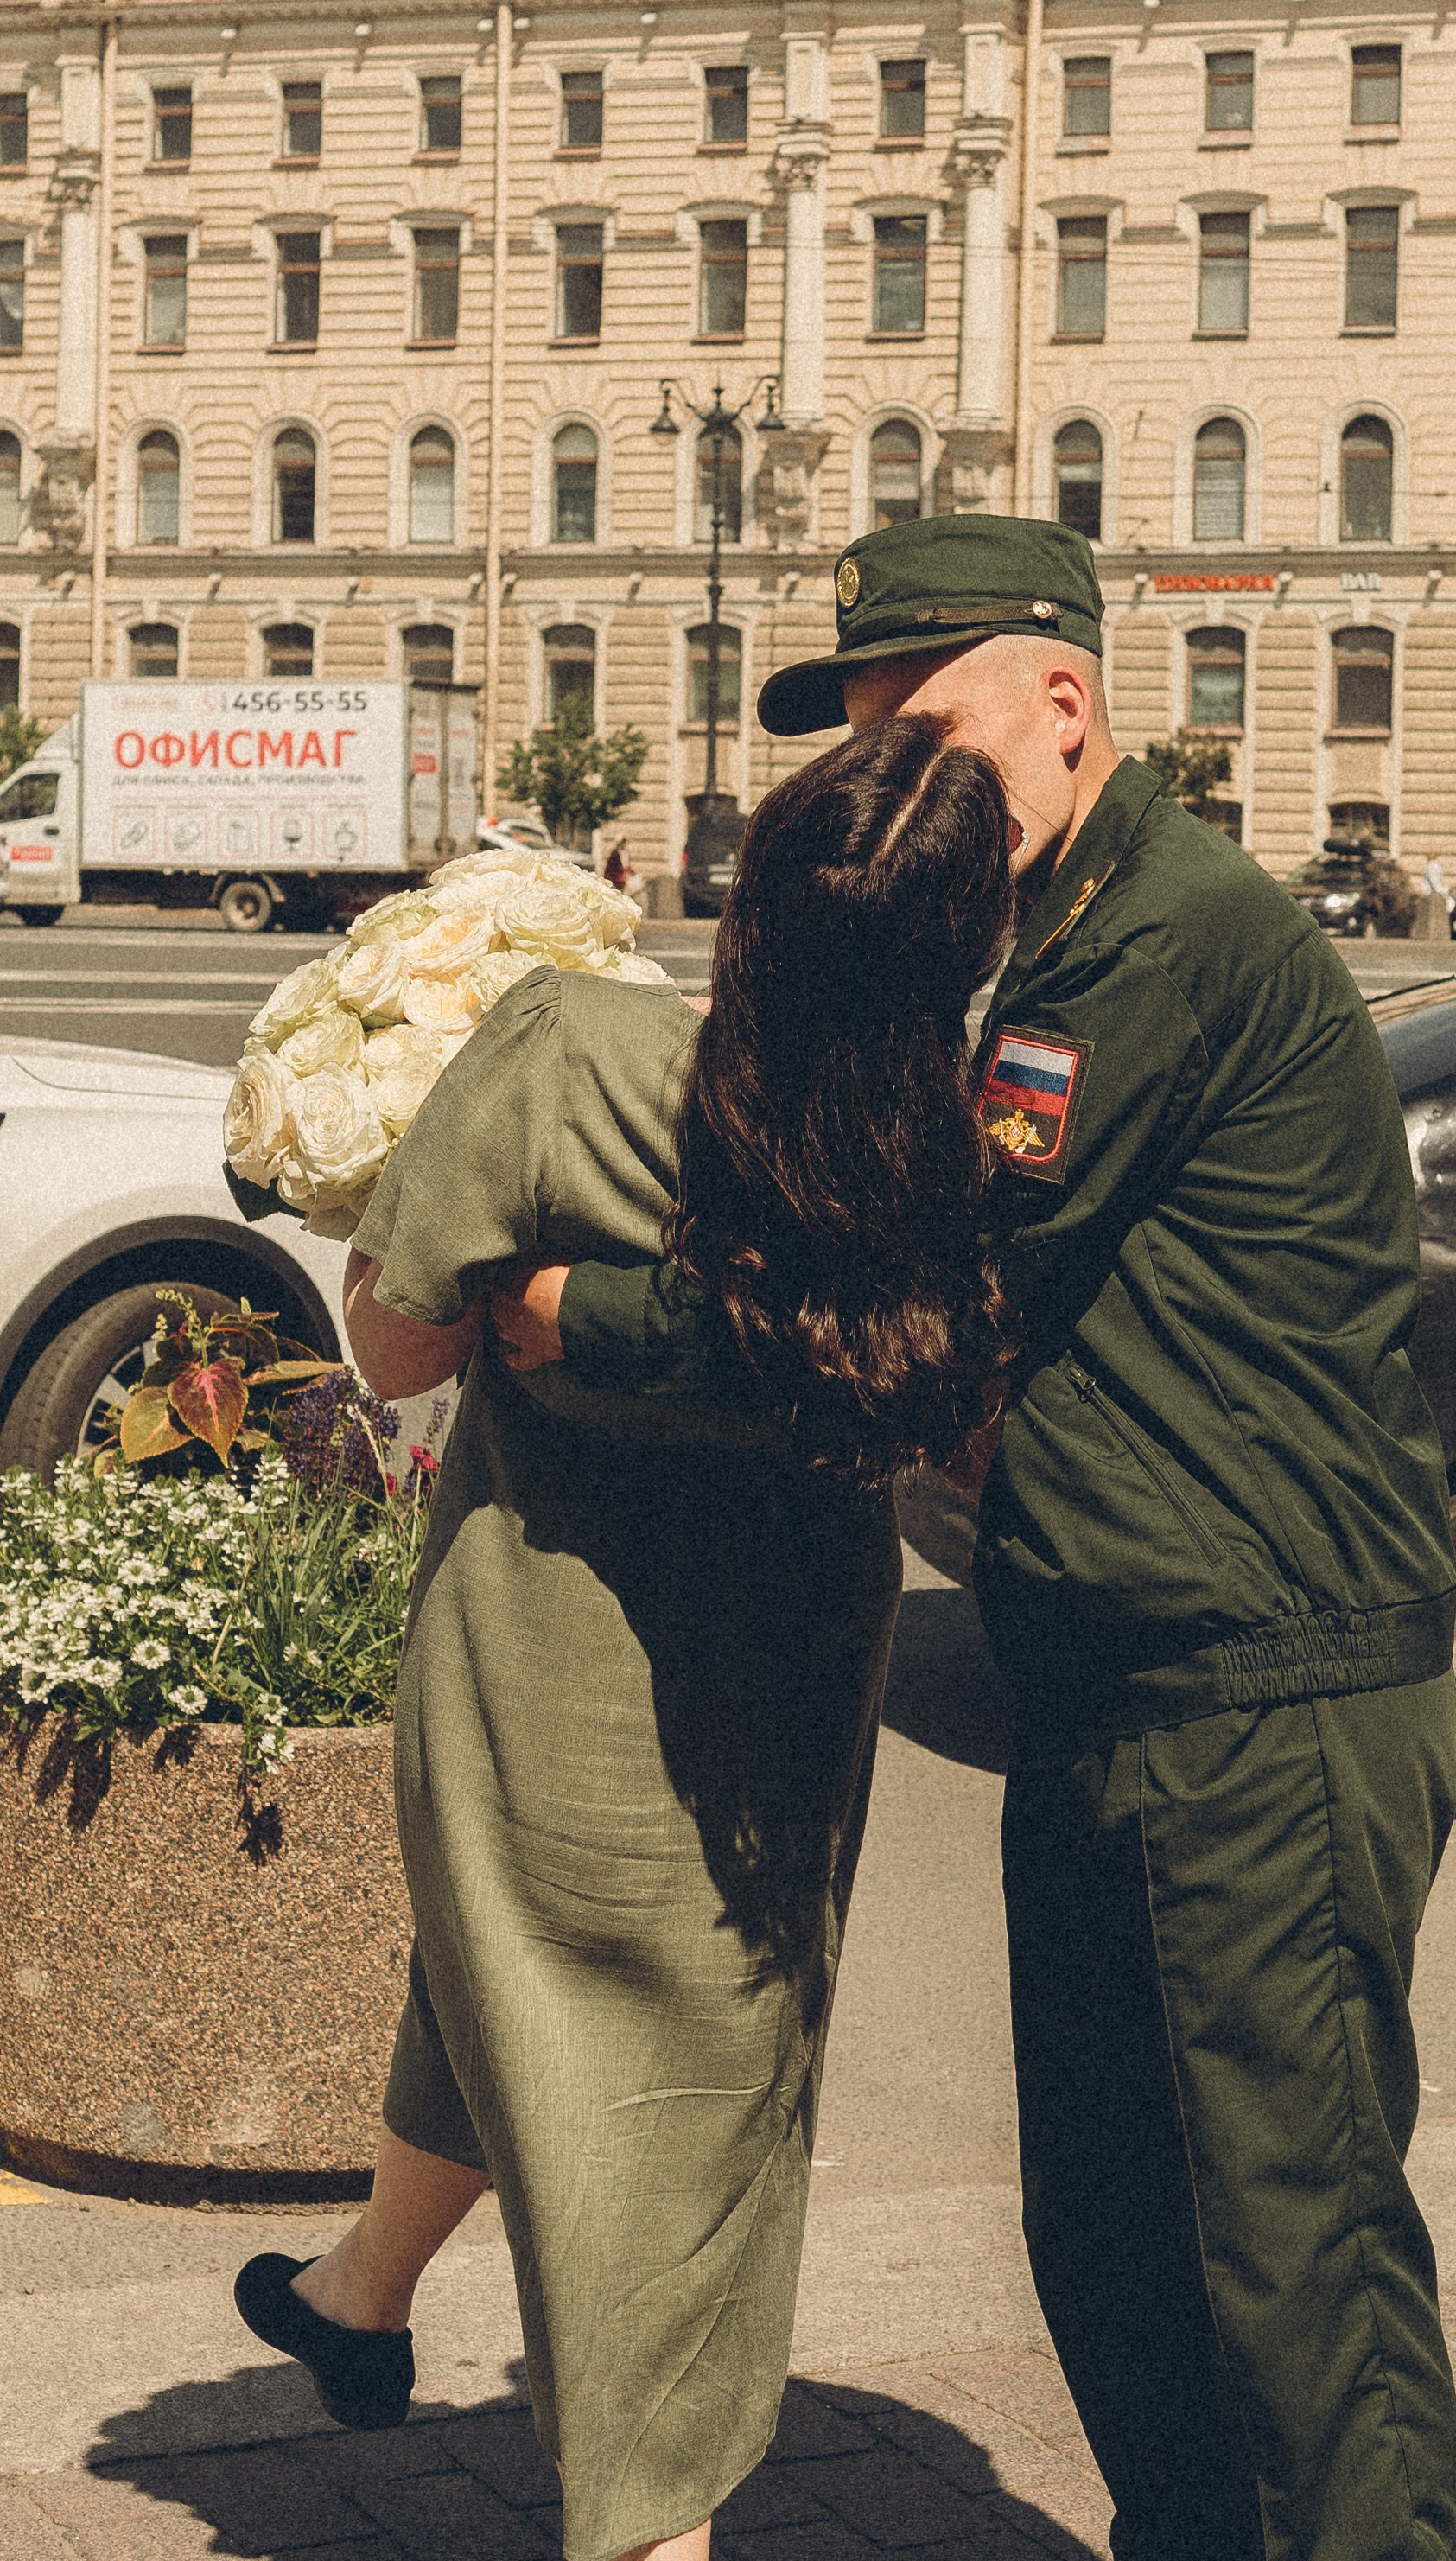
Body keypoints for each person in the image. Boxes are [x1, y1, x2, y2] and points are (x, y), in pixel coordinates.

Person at [510, 519, 1456, 2561]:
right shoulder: (1029, 944)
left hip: (1264, 1702)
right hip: (1117, 1689)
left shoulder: (1159, 939)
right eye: (868, 746)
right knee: (1117, 2239)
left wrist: (566, 1320)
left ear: (1063, 700)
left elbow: (922, 1278)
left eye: (923, 729)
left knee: (1291, 2266)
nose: (902, 786)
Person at [236, 716, 1014, 2561]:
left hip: (534, 1651)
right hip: (784, 1678)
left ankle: (645, 2530)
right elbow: (947, 1410)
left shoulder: (566, 1049)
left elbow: (393, 1350)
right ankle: (359, 2298)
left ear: (739, 918)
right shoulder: (940, 1156)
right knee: (605, 2030)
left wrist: (509, 1268)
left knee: (624, 2100)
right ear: (961, 963)